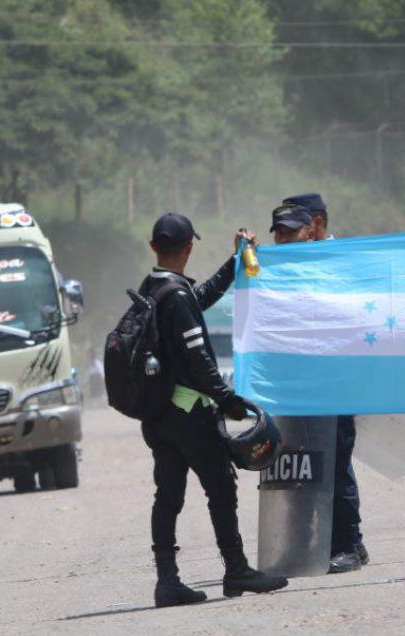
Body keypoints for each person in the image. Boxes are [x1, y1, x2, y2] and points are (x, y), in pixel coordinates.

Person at [139, 213, 287, 606]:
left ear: (154, 246)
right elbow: (200, 360)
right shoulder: (176, 295)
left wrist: (234, 261)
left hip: (158, 417)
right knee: (221, 488)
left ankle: (166, 580)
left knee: (167, 495)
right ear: (189, 248)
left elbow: (199, 299)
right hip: (189, 415)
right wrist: (229, 401)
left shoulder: (153, 290)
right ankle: (236, 569)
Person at [276, 194, 370, 573]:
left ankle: (348, 544)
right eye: (277, 233)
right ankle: (300, 544)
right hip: (297, 383)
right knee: (297, 464)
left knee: (335, 463)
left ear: (314, 225)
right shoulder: (284, 265)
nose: (282, 240)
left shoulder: (341, 261)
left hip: (334, 380)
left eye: (290, 230)